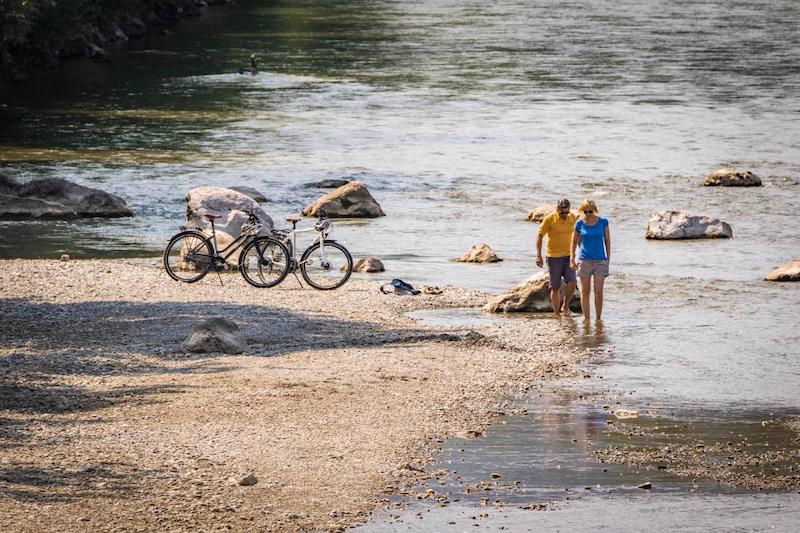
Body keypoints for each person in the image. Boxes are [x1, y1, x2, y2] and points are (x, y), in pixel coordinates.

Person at [570, 198, 611, 321]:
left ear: (595, 210)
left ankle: (598, 319)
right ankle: (586, 319)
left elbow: (607, 241)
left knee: (598, 291)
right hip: (584, 260)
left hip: (600, 261)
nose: (588, 214)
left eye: (590, 211)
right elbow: (573, 243)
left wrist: (608, 260)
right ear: (582, 211)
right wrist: (572, 259)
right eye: (585, 211)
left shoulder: (603, 222)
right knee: (585, 291)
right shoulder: (579, 224)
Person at [536, 198, 577, 315]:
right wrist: (538, 255)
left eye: (566, 212)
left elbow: (577, 235)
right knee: (555, 287)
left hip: (568, 256)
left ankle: (565, 305)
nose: (564, 215)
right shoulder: (550, 219)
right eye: (562, 212)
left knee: (572, 281)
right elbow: (539, 236)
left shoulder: (572, 217)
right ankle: (556, 314)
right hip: (553, 257)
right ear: (557, 209)